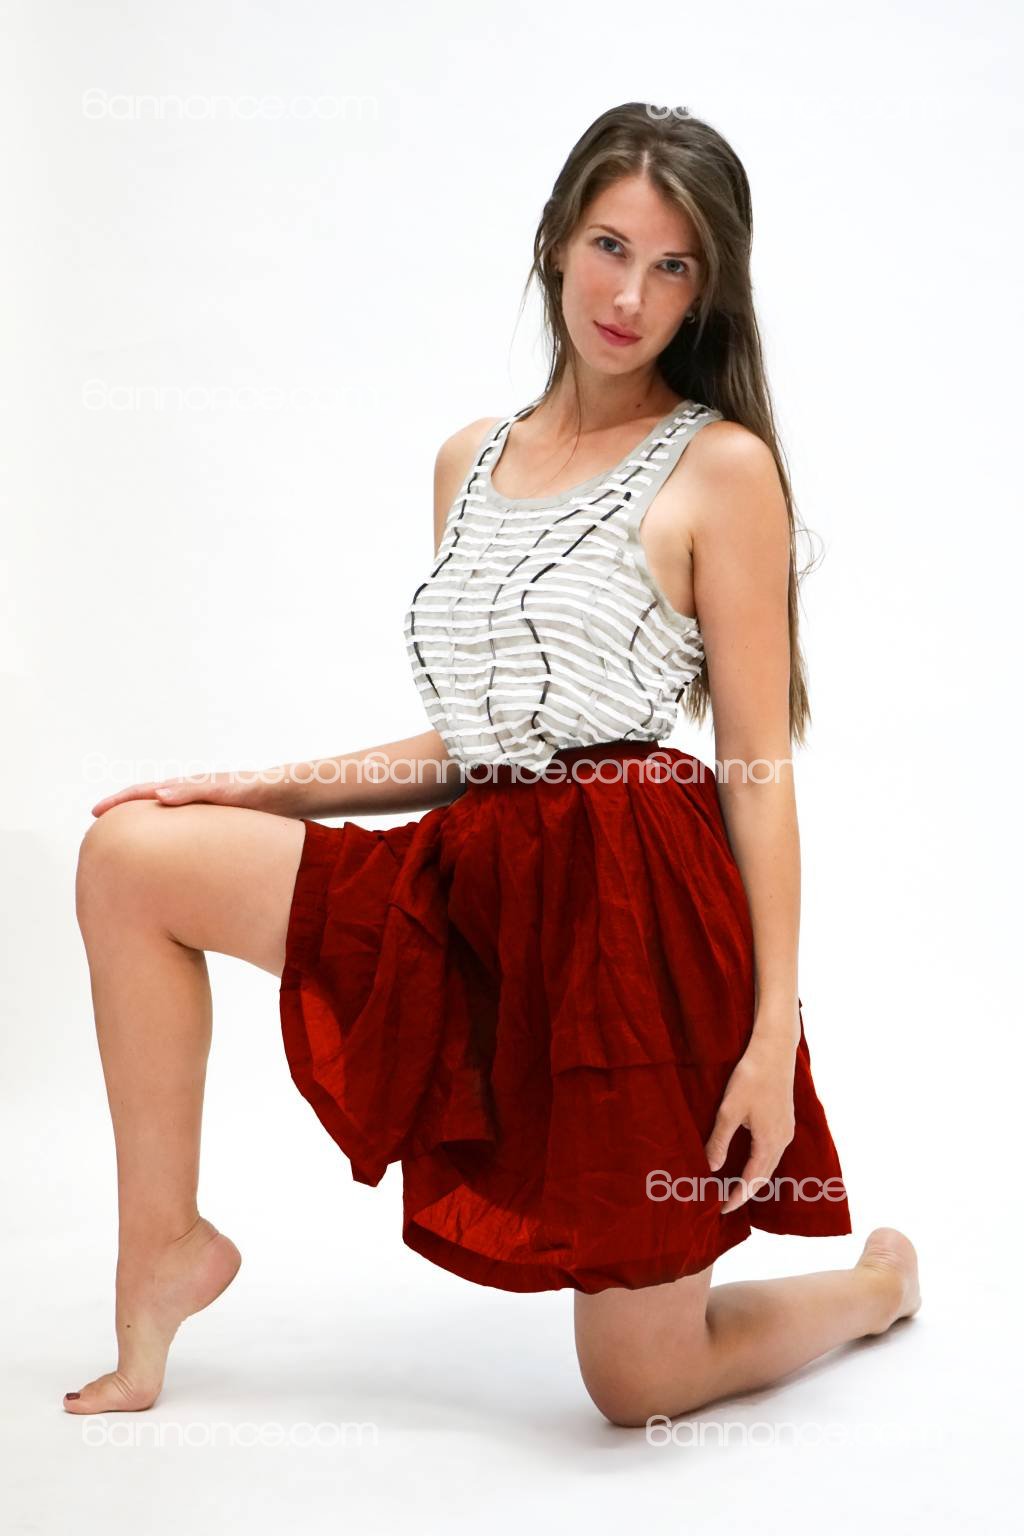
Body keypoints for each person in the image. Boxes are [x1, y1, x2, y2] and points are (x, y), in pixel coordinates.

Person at [65, 102, 920, 1425]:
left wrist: (771, 1037)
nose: (629, 296)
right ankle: (163, 1253)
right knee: (131, 856)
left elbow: (758, 775)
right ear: (556, 241)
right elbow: (484, 749)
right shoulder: (469, 460)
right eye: (610, 246)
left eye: (674, 266)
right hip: (474, 889)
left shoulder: (723, 468)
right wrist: (261, 789)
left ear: (706, 293)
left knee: (640, 1381)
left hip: (628, 915)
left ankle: (874, 1289)